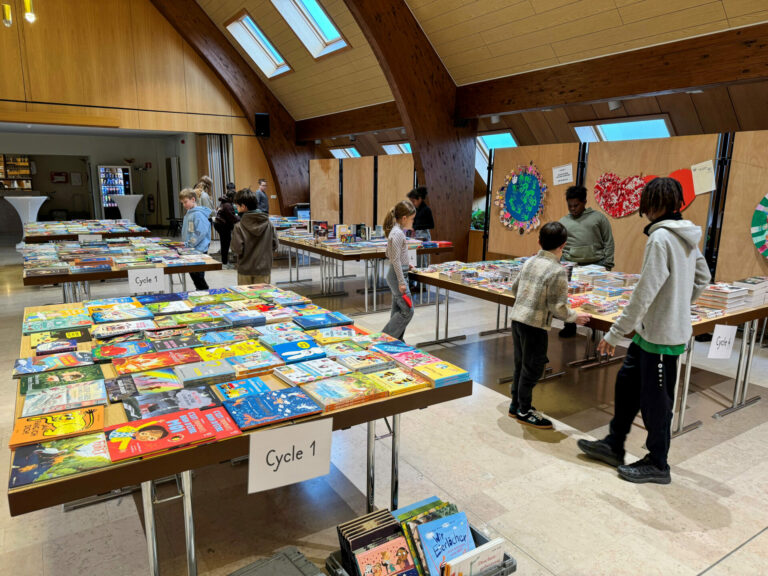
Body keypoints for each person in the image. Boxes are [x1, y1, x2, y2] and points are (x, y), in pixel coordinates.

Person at [578, 177, 710, 485]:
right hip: (647, 333)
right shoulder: (685, 235)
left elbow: (644, 292)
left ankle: (658, 463)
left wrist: (615, 333)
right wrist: (680, 302)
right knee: (627, 385)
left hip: (662, 338)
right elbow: (703, 277)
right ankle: (614, 444)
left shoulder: (661, 238)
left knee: (656, 402)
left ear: (653, 205)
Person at [507, 221, 591, 428]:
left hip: (518, 319)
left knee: (520, 365)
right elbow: (557, 306)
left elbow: (515, 288)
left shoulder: (529, 261)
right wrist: (575, 317)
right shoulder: (557, 270)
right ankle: (524, 410)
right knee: (533, 369)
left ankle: (515, 404)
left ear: (539, 241)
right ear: (563, 245)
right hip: (535, 325)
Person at [558, 185, 615, 338]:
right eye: (569, 205)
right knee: (568, 297)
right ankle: (569, 325)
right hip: (571, 265)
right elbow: (559, 245)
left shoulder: (599, 218)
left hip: (596, 265)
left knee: (595, 299)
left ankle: (596, 327)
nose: (572, 209)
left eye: (576, 205)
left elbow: (609, 242)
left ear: (584, 202)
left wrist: (608, 264)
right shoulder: (564, 221)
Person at [382, 200, 417, 340]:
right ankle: (384, 339)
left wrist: (406, 264)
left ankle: (397, 341)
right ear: (404, 218)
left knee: (397, 309)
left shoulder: (396, 232)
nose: (413, 222)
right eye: (412, 219)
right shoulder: (397, 234)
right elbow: (394, 259)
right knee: (408, 311)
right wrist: (402, 282)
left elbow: (389, 254)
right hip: (397, 277)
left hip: (398, 273)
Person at [231, 187, 278, 285]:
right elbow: (275, 245)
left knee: (245, 295)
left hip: (245, 270)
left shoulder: (239, 227)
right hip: (264, 269)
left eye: (237, 205)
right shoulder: (269, 224)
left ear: (243, 206)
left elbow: (237, 249)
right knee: (263, 295)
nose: (236, 208)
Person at [180, 188, 212, 290]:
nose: (184, 205)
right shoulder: (189, 213)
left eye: (185, 202)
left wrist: (190, 243)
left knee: (198, 276)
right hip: (191, 249)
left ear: (193, 199)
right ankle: (201, 290)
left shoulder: (198, 214)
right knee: (194, 274)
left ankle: (204, 291)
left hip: (199, 249)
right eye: (182, 203)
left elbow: (199, 232)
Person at [214, 184, 238, 268]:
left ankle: (224, 261)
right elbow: (232, 217)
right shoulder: (227, 205)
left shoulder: (225, 202)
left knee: (224, 243)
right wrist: (241, 219)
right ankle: (224, 263)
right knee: (225, 244)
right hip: (223, 226)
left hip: (221, 225)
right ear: (231, 198)